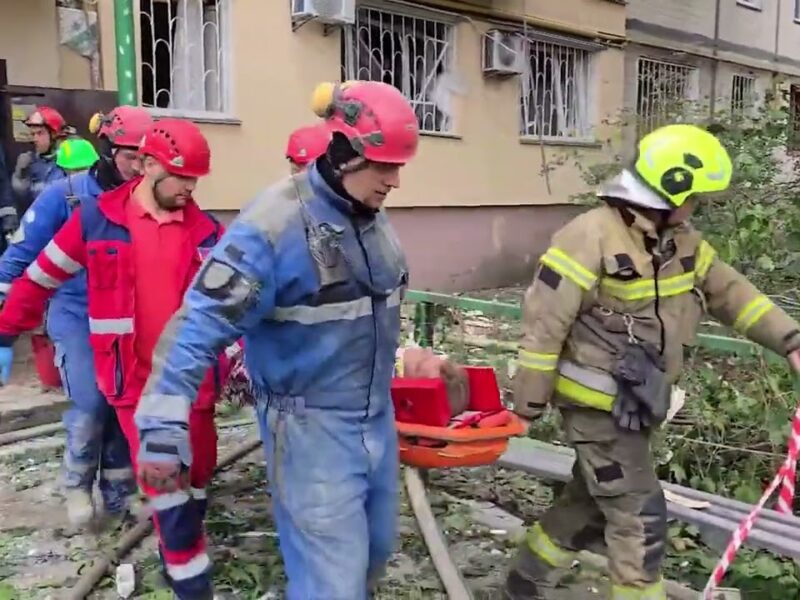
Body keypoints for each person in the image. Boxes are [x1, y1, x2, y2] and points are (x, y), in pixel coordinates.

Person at [133, 79, 418, 599]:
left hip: (375, 421)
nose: (395, 181)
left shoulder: (371, 219)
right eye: (383, 166)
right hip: (310, 431)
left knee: (374, 556)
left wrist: (414, 360)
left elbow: (373, 309)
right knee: (333, 584)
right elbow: (196, 327)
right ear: (342, 151)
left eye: (399, 166)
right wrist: (160, 425)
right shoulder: (272, 226)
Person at [504, 123, 800, 600]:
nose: (697, 206)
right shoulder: (587, 238)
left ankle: (523, 582)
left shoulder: (678, 241)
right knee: (639, 516)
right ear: (671, 187)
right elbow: (543, 327)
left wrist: (790, 340)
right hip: (595, 408)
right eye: (695, 195)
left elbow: (732, 294)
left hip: (636, 403)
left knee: (588, 502)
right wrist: (525, 408)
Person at [0, 118, 230, 598]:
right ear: (146, 165)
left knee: (198, 475)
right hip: (134, 387)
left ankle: (187, 535)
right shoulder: (95, 220)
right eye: (180, 177)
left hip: (193, 386)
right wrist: (4, 332)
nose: (189, 189)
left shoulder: (209, 234)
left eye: (195, 181)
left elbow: (236, 307)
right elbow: (39, 277)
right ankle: (189, 579)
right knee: (165, 484)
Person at [0, 107, 153, 527]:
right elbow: (20, 255)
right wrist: (4, 326)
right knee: (89, 402)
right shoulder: (64, 196)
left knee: (123, 404)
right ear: (107, 151)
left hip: (127, 318)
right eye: (130, 157)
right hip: (76, 313)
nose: (139, 168)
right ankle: (77, 482)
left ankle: (120, 494)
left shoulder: (145, 200)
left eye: (147, 158)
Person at [11, 106, 71, 217]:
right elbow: (25, 202)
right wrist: (20, 176)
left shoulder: (70, 160)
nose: (35, 139)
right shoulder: (32, 162)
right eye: (33, 134)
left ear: (54, 134)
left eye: (39, 133)